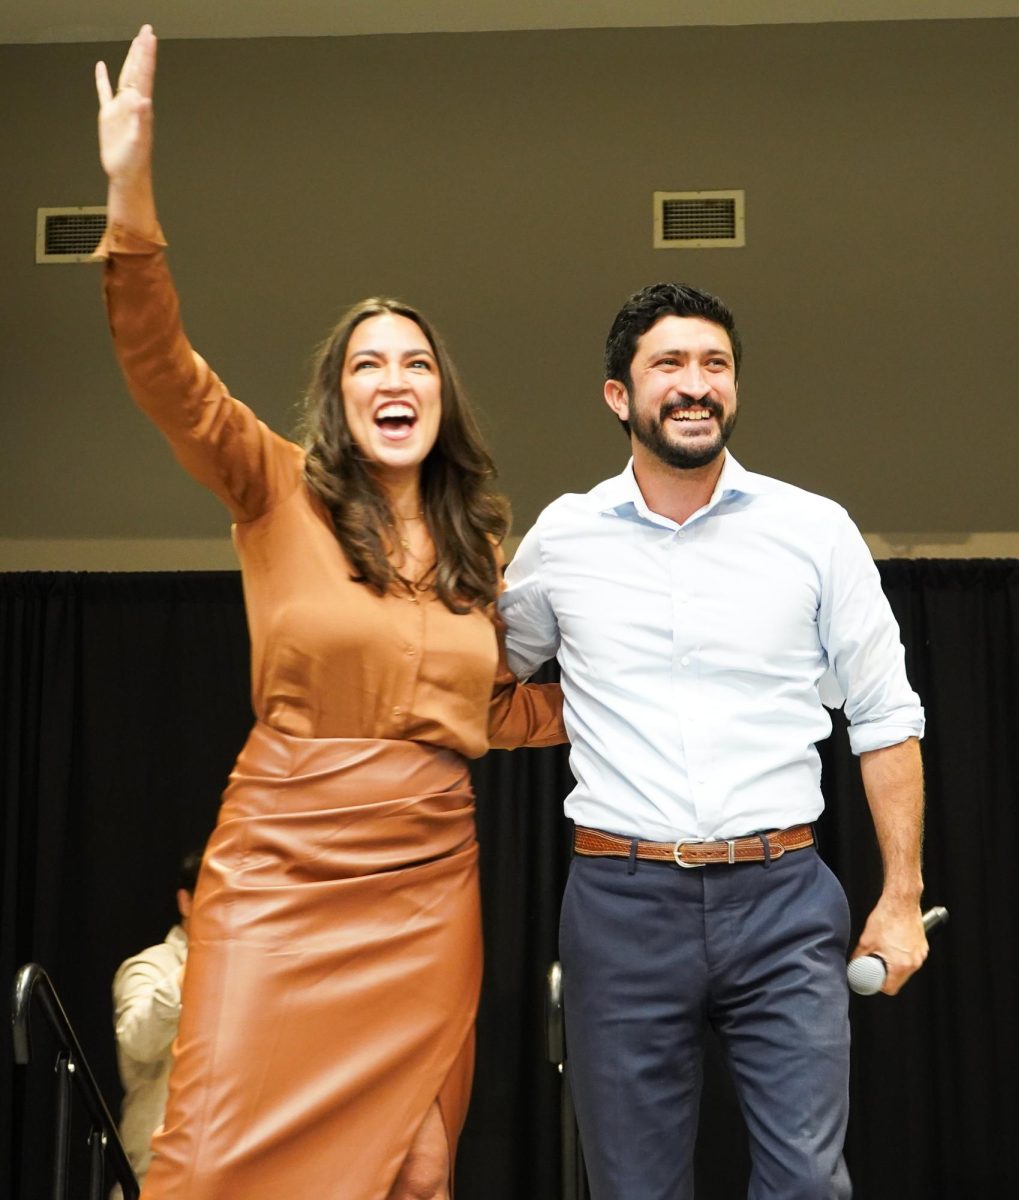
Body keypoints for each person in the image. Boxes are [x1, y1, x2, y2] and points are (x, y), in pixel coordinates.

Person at [93, 26, 564, 1200]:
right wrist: (130, 185)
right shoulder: (273, 487)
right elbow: (163, 368)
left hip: (424, 882)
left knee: (415, 1169)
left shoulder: (481, 549)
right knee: (204, 1160)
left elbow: (493, 711)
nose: (393, 378)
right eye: (367, 364)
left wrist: (673, 682)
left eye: (415, 363)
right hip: (279, 868)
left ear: (440, 397)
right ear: (336, 397)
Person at [498, 282, 928, 1199]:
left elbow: (886, 714)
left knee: (808, 1186)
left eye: (715, 364)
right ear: (620, 395)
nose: (695, 385)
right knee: (635, 1189)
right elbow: (480, 679)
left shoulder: (815, 530)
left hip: (782, 900)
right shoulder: (562, 540)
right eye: (669, 364)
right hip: (620, 906)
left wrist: (901, 896)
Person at [110, 852, 201, 1199]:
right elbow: (138, 1040)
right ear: (186, 900)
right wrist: (204, 959)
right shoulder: (149, 966)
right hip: (157, 1175)